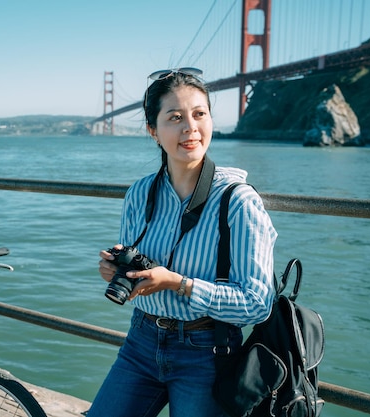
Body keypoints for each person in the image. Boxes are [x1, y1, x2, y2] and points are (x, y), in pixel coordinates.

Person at [87, 68, 278, 417]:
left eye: (199, 114)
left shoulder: (238, 201)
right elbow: (139, 270)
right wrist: (119, 273)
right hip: (141, 340)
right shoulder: (140, 192)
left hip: (206, 351)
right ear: (153, 131)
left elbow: (257, 304)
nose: (190, 127)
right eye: (175, 117)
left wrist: (180, 284)